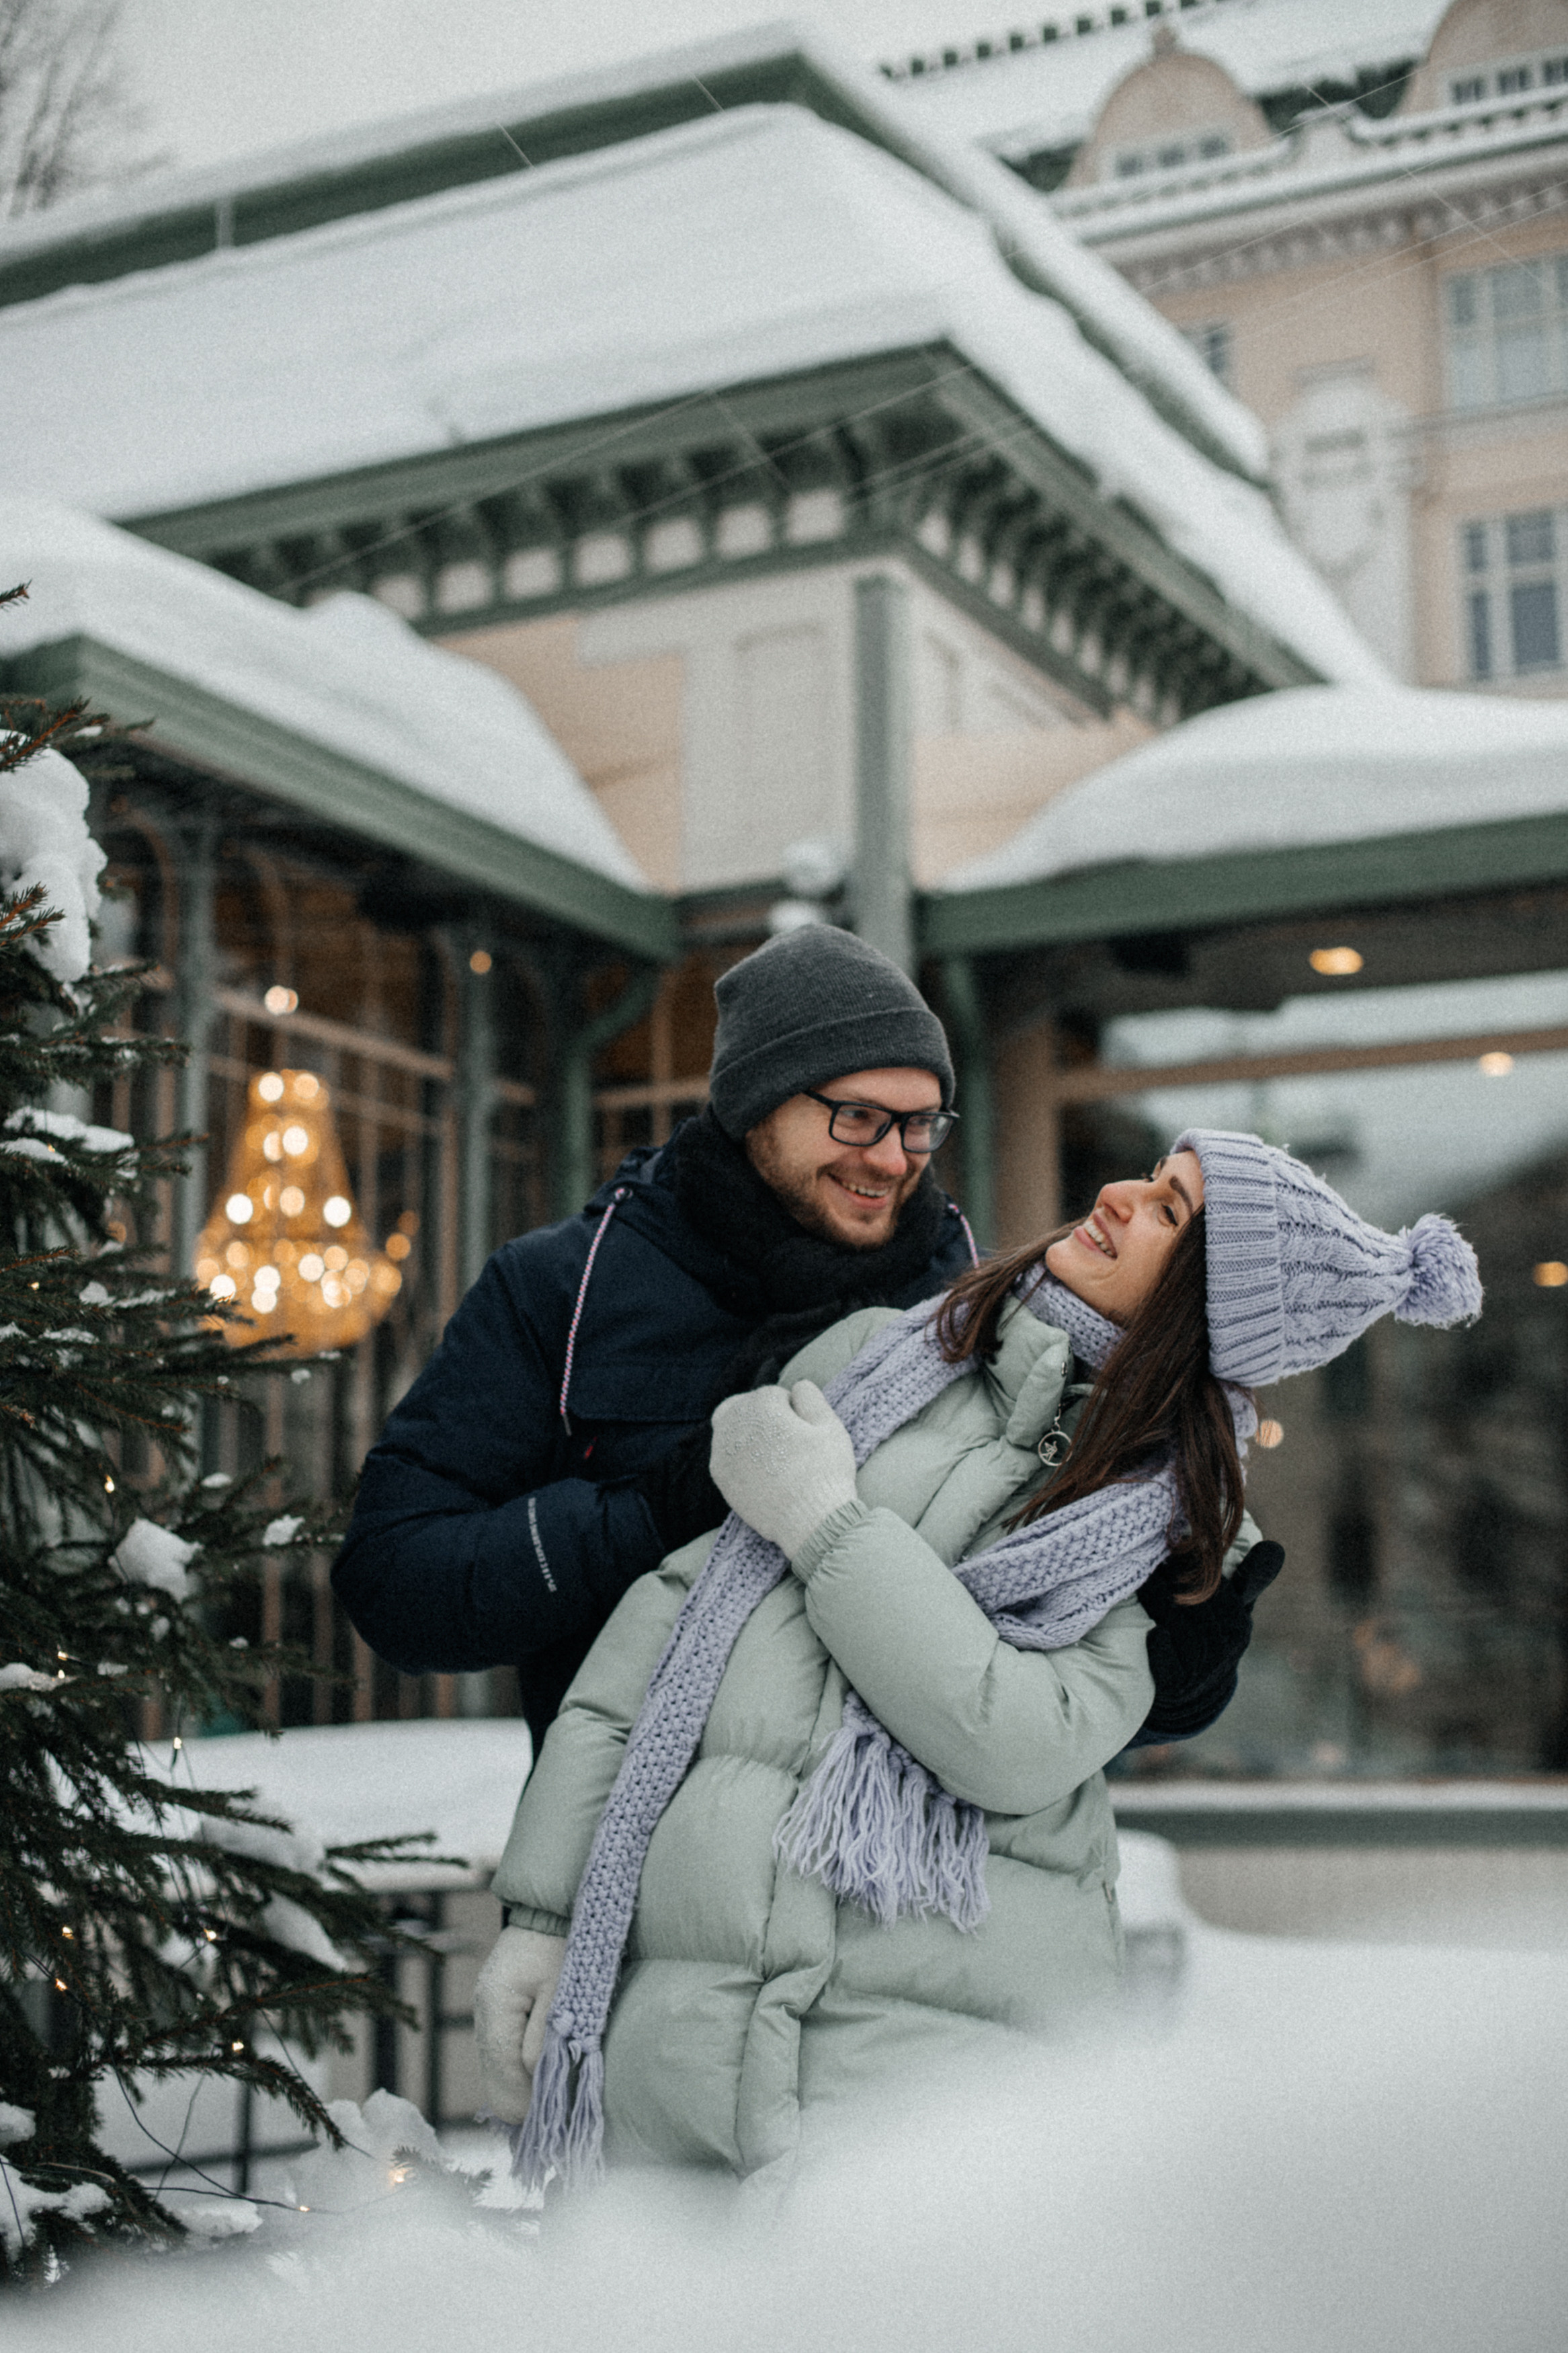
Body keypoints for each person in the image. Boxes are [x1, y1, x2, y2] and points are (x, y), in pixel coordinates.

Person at [474, 1129, 1482, 2188]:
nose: (1117, 1196)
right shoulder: (879, 1364)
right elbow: (666, 1633)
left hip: (918, 2078)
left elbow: (1014, 1737)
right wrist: (545, 1917)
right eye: (1150, 1175)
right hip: (675, 2039)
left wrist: (824, 1523)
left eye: (1169, 1211)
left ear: (1212, 1300)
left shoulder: (1175, 1532)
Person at [333, 926, 1270, 1751]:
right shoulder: (564, 1288)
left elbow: (1043, 1675)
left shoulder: (977, 1310)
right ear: (753, 1105)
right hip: (633, 1893)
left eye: (917, 1126)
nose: (891, 1159)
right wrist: (653, 1511)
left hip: (898, 1911)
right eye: (855, 1116)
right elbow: (397, 1588)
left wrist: (1181, 1674)